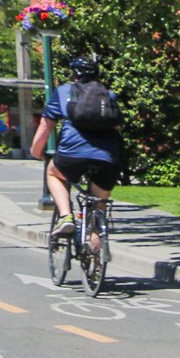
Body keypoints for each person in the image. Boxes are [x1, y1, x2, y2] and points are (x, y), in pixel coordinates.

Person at [32, 56, 125, 244]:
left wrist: (36, 151)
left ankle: (66, 217)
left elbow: (45, 125)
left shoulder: (64, 92)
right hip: (108, 156)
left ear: (74, 74)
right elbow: (117, 129)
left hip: (72, 152)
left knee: (53, 173)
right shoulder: (108, 95)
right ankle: (96, 259)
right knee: (99, 206)